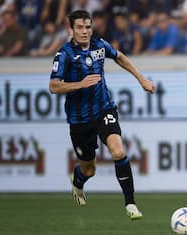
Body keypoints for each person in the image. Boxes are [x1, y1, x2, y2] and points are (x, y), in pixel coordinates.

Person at [49, 10, 154, 220]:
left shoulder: (99, 45)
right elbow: (53, 86)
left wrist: (141, 79)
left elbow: (120, 58)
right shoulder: (64, 54)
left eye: (88, 27)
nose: (85, 31)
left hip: (104, 109)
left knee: (118, 151)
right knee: (89, 169)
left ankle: (130, 204)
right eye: (79, 27)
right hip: (79, 120)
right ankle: (78, 182)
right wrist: (80, 84)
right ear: (70, 29)